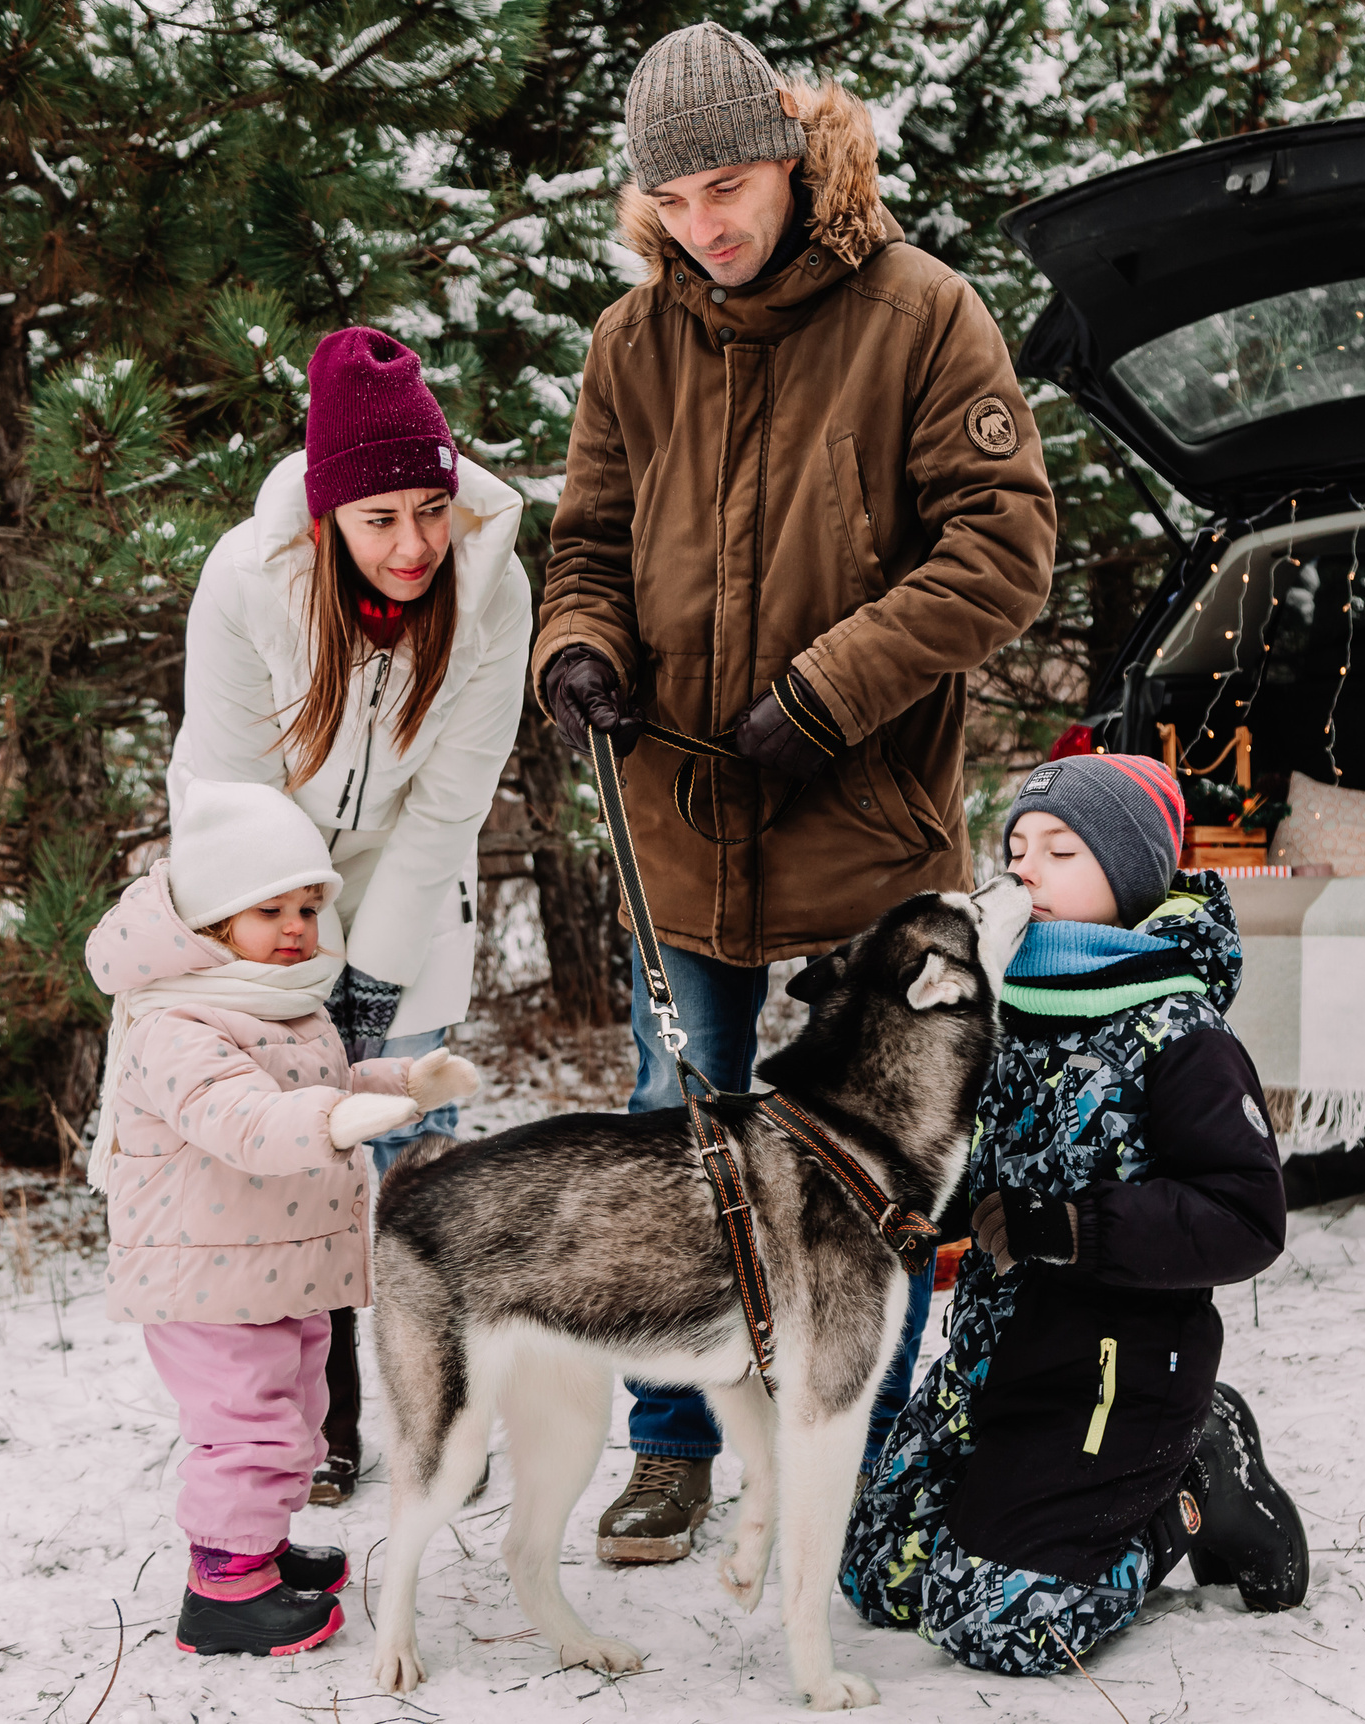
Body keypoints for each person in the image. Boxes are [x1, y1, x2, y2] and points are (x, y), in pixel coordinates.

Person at [535, 20, 1057, 1562]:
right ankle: (672, 1445)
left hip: (864, 837)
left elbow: (1004, 552)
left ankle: (872, 1448)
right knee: (670, 1143)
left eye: (729, 183)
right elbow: (587, 551)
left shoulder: (923, 317)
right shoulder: (631, 346)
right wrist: (577, 646)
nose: (708, 224)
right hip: (681, 832)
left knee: (876, 1158)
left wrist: (832, 690)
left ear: (793, 153)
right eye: (674, 200)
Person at [839, 752, 1307, 1674]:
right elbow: (960, 1171)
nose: (1027, 870)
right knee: (881, 1577)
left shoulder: (1180, 1032)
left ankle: (1190, 1490)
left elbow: (1248, 1215)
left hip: (1115, 1366)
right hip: (994, 1351)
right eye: (1017, 849)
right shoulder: (1001, 1007)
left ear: (1130, 874)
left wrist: (1073, 1226)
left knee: (1000, 1622)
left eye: (1061, 850)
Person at [170, 325, 532, 1502]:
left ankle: (444, 1411)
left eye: (429, 509)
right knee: (295, 1169)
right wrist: (295, 970)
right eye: (379, 521)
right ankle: (314, 1422)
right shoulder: (245, 580)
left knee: (417, 1162)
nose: (415, 543)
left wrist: (372, 984)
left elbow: (448, 806)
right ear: (328, 522)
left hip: (413, 891)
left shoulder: (490, 579)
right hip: (253, 887)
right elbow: (231, 799)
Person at [82, 780, 482, 1657]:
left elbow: (319, 1094)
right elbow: (245, 1120)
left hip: (265, 1264)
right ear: (216, 918)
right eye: (270, 909)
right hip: (204, 1273)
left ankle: (251, 1551)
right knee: (248, 1426)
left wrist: (404, 1088)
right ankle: (224, 1595)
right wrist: (337, 1121)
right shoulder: (177, 1020)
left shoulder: (280, 1001)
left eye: (308, 905)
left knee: (292, 1411)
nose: (298, 926)